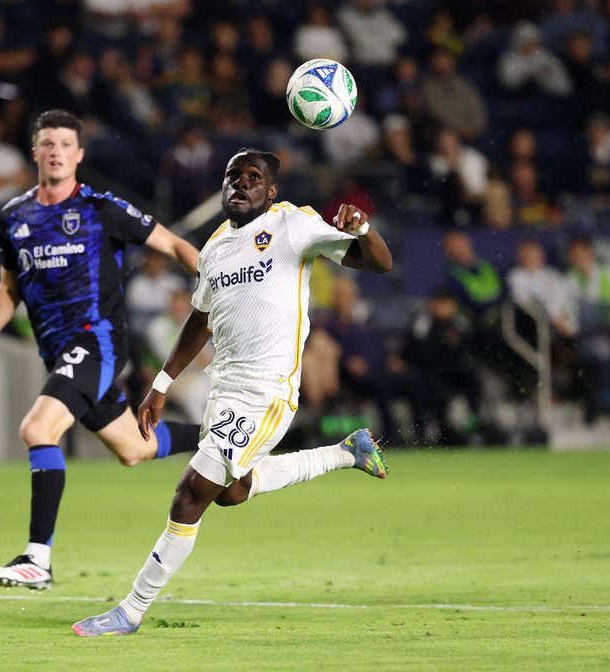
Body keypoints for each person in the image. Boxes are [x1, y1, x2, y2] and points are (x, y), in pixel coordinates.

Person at [72, 148, 392, 636]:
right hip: (224, 388)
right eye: (233, 176)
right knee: (231, 492)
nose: (241, 184)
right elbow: (199, 320)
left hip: (266, 392)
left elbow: (378, 264)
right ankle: (347, 453)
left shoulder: (293, 225)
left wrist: (363, 229)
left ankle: (130, 610)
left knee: (190, 494)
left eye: (253, 177)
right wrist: (161, 383)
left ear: (271, 190)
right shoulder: (215, 247)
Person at [0, 110, 202, 590]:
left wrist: (223, 290)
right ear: (34, 152)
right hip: (59, 353)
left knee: (37, 427)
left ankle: (37, 559)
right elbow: (10, 288)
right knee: (135, 448)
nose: (56, 151)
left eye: (65, 144)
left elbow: (174, 245)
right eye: (47, 143)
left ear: (79, 155)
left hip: (98, 340)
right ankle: (223, 435)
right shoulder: (14, 217)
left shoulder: (99, 208)